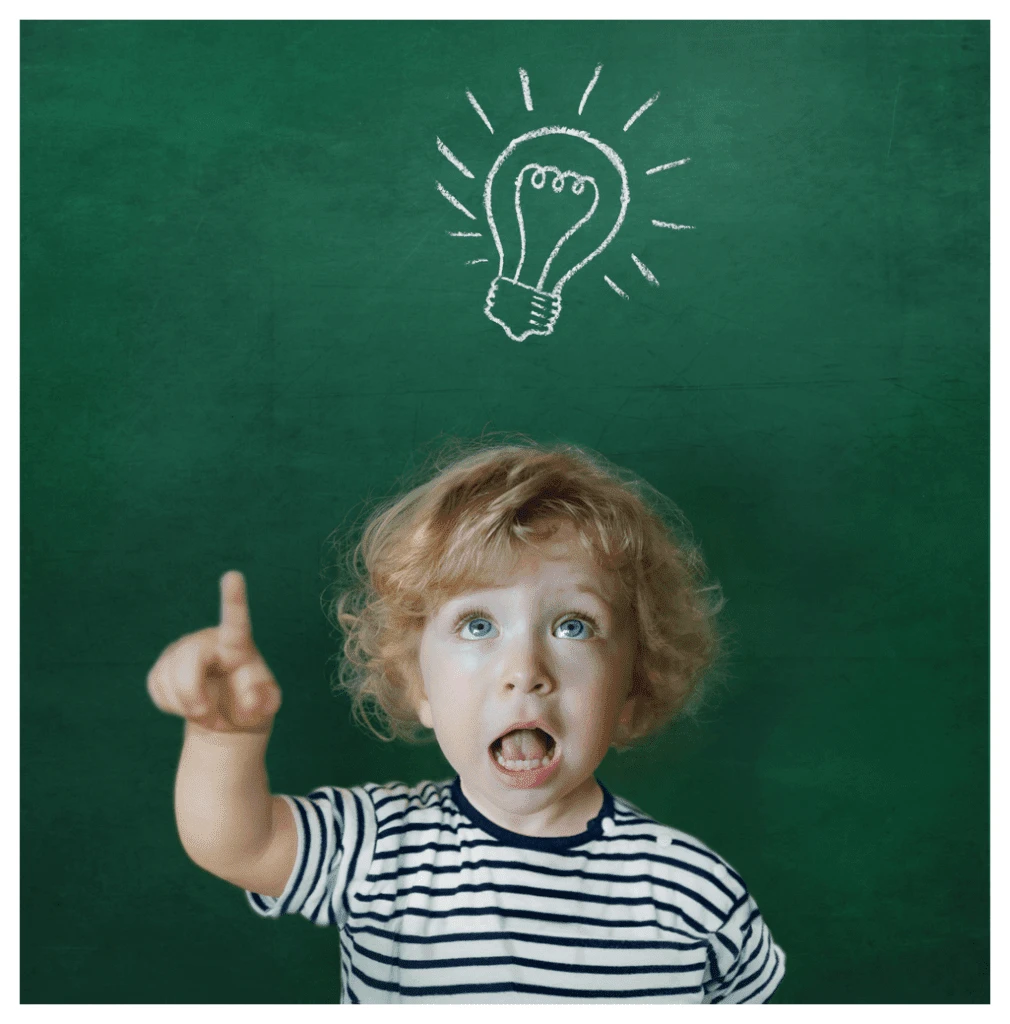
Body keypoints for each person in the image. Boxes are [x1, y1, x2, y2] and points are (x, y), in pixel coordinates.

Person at [147, 439, 786, 1003]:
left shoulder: (692, 891)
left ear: (633, 689)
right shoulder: (374, 849)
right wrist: (223, 735)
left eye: (573, 626)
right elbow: (235, 843)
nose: (524, 669)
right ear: (418, 684)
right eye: (477, 625)